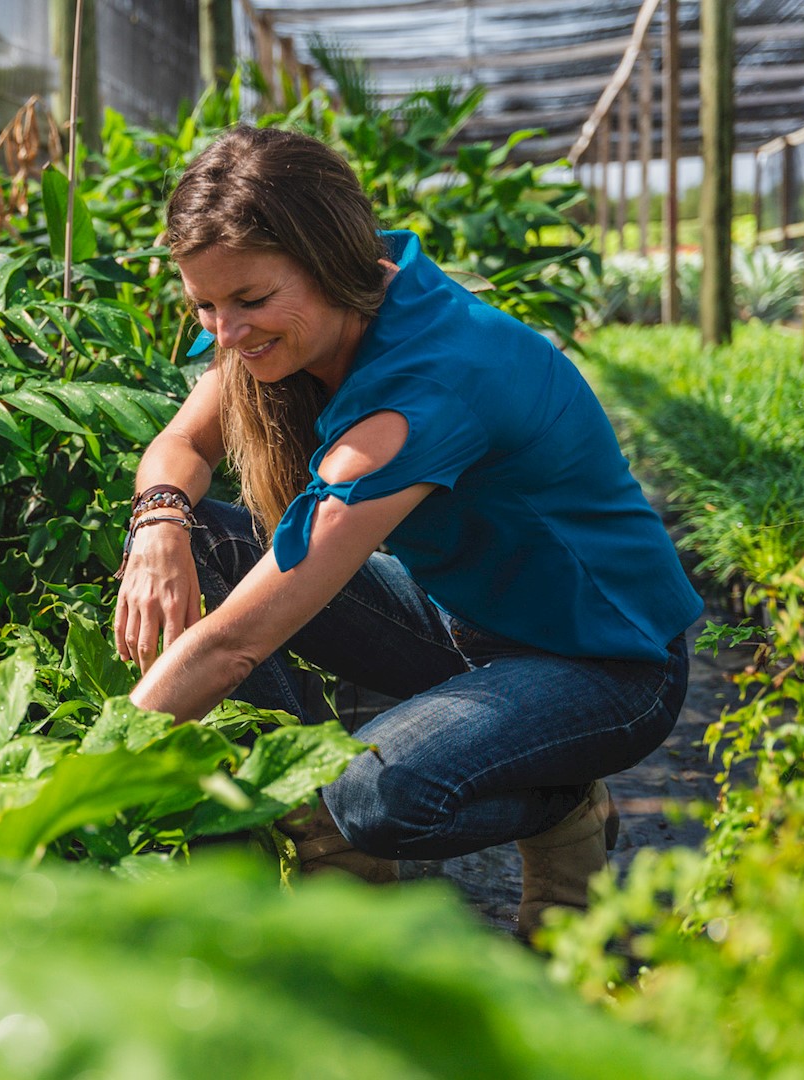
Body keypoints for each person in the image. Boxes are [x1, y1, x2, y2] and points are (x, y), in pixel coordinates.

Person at [114, 125, 700, 937]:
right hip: (466, 621)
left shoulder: (423, 390)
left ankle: (559, 804)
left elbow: (230, 648)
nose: (227, 331)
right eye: (206, 304)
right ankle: (326, 839)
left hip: (607, 662)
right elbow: (180, 444)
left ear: (327, 261)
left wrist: (84, 779)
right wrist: (158, 525)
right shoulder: (302, 323)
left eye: (249, 300)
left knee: (375, 792)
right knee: (207, 538)